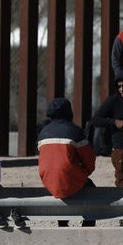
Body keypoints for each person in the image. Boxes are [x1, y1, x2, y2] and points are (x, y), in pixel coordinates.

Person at [37, 97, 96, 227]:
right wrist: (85, 172)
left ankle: (62, 223)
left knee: (62, 186)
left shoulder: (42, 132)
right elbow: (89, 158)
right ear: (69, 113)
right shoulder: (75, 131)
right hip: (70, 178)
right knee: (91, 190)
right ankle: (88, 225)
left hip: (48, 179)